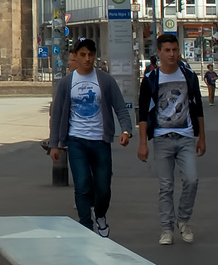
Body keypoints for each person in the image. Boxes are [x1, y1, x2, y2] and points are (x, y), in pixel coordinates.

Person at [49, 37, 134, 238]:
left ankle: (101, 214)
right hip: (76, 140)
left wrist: (126, 130)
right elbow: (57, 114)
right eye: (83, 55)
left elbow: (120, 107)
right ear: (75, 57)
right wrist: (55, 144)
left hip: (100, 141)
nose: (87, 59)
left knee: (103, 187)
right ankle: (86, 225)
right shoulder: (66, 83)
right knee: (83, 185)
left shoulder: (104, 80)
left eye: (90, 54)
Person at [137, 32, 206, 245]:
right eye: (167, 50)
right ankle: (166, 228)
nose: (172, 54)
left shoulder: (188, 76)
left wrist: (202, 137)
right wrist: (142, 143)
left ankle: (183, 221)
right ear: (158, 53)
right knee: (166, 186)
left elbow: (198, 107)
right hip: (162, 138)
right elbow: (142, 113)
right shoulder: (150, 79)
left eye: (175, 50)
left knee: (192, 180)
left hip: (185, 137)